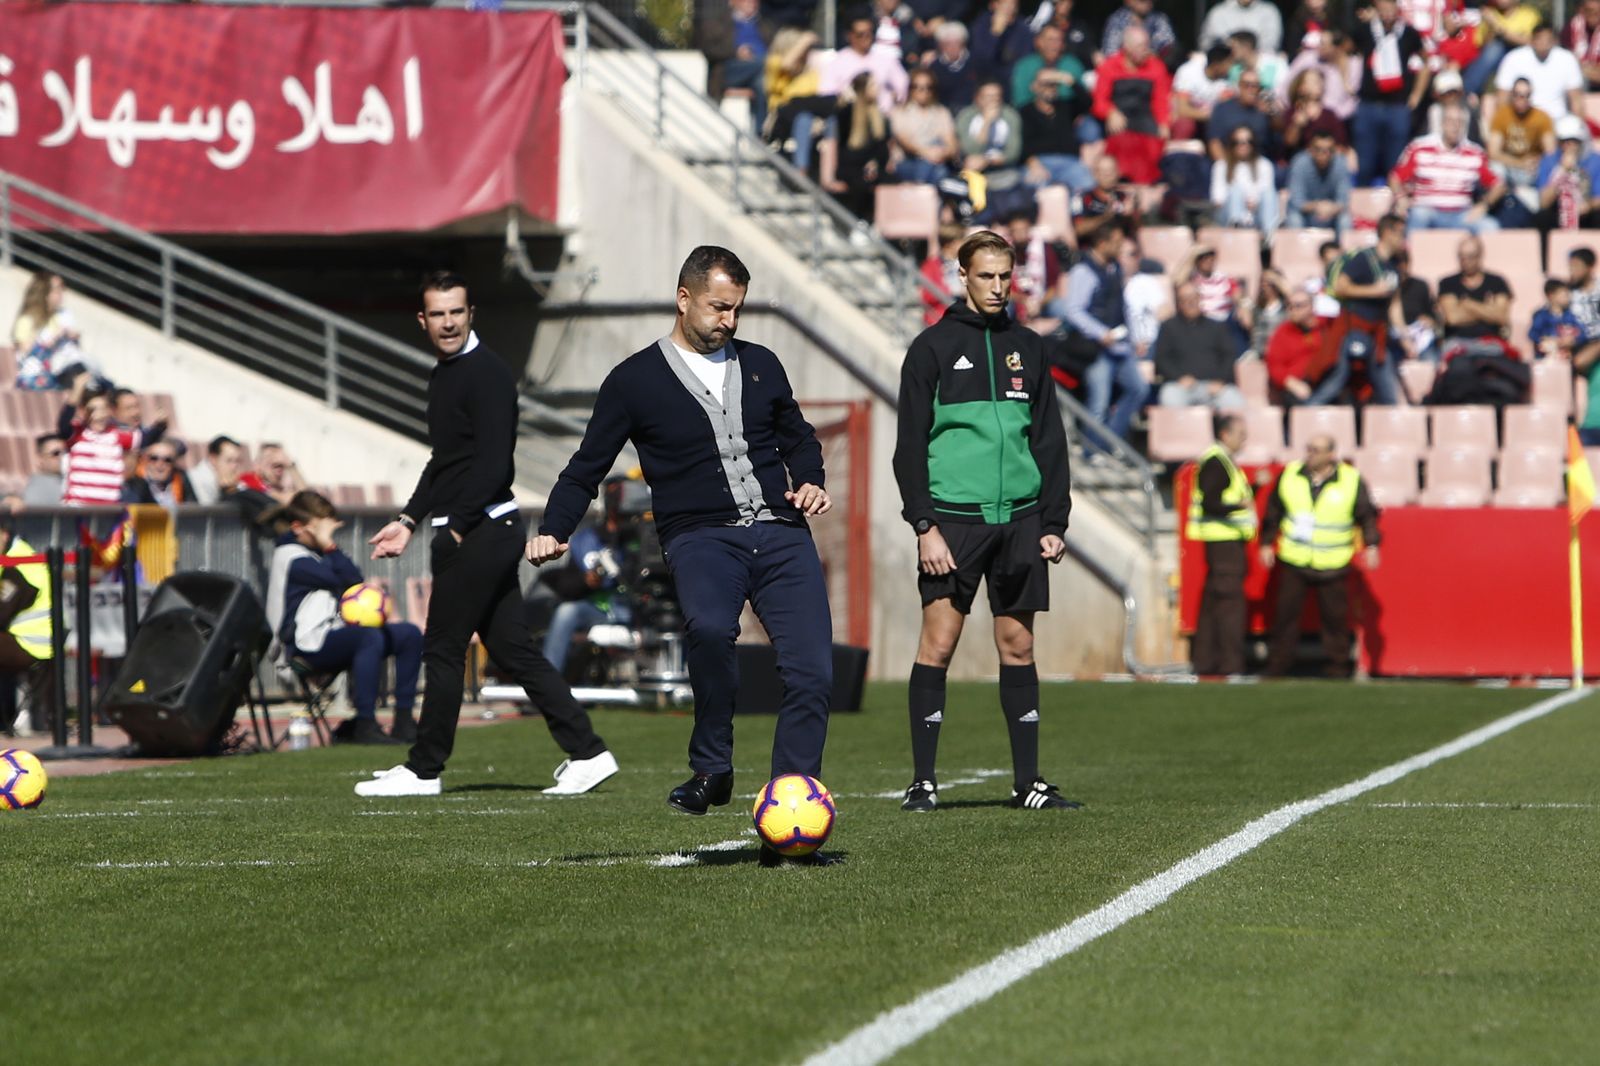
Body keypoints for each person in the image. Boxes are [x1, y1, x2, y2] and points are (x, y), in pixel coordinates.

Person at [528, 248, 836, 865]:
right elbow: (587, 465)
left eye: (739, 309)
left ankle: (790, 809)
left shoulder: (761, 365)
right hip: (701, 536)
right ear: (684, 297)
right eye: (721, 307)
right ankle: (712, 768)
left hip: (780, 531)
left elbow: (798, 437)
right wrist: (553, 528)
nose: (731, 320)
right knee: (710, 629)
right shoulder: (633, 380)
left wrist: (810, 477)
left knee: (812, 674)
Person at [358, 271, 616, 799]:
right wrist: (407, 521)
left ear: (471, 313)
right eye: (438, 313)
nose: (448, 322)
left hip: (479, 531)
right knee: (514, 650)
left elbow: (495, 463)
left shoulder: (488, 375)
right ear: (423, 320)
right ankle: (589, 752)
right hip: (475, 530)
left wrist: (456, 526)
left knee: (444, 649)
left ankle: (424, 769)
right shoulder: (446, 373)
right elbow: (445, 462)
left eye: (457, 311)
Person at [892, 230, 1074, 814]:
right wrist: (925, 525)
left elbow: (1049, 439)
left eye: (1005, 276)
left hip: (1020, 522)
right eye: (986, 276)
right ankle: (923, 782)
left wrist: (1053, 520)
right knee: (938, 644)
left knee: (1018, 646)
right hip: (953, 522)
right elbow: (908, 448)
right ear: (962, 277)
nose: (997, 287)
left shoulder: (1030, 346)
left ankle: (1029, 784)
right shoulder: (931, 349)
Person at [265, 490, 422, 745]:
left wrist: (327, 547)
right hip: (304, 645)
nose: (329, 537)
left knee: (408, 635)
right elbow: (349, 580)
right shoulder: (291, 557)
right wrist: (329, 545)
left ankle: (404, 720)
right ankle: (365, 722)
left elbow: (352, 580)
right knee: (368, 638)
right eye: (321, 529)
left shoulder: (317, 555)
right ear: (299, 527)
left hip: (332, 636)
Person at [1259, 435, 1381, 678]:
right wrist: (1265, 543)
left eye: (1317, 450)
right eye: (1309, 449)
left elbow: (1366, 514)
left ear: (1331, 454)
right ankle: (1277, 668)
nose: (1311, 454)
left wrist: (1372, 545)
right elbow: (1274, 510)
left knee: (1335, 621)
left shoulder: (1351, 479)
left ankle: (1338, 669)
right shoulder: (1291, 473)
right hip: (1295, 558)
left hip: (1333, 562)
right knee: (1284, 618)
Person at [1063, 221, 1147, 452]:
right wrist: (1101, 333)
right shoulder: (1084, 270)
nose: (1120, 248)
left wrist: (1134, 337)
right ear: (1102, 243)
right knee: (1098, 403)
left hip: (1120, 347)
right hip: (1096, 349)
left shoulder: (1114, 268)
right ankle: (1091, 453)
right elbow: (1074, 311)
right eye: (1116, 243)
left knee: (1138, 388)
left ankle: (1109, 443)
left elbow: (1122, 306)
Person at [1188, 414, 1257, 677]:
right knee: (1229, 606)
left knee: (1214, 604)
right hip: (1224, 543)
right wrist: (1239, 506)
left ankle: (1206, 663)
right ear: (1225, 434)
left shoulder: (1218, 460)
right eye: (1241, 434)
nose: (1245, 440)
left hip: (1221, 542)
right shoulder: (1217, 462)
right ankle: (1231, 665)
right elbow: (1211, 502)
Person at [1317, 214, 1408, 405]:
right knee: (1336, 381)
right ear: (1386, 232)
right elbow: (1341, 286)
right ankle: (1305, 413)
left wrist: (1405, 334)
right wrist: (1373, 290)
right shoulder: (1364, 258)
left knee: (1388, 391)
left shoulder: (1394, 266)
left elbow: (1394, 304)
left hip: (1378, 334)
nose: (1403, 237)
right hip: (1354, 329)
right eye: (1400, 233)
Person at [1389, 103, 1505, 233]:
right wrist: (1400, 198)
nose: (1454, 126)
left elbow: (1498, 185)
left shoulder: (1475, 153)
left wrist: (1484, 205)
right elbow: (1395, 177)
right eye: (1450, 121)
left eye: (1459, 122)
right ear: (1442, 123)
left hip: (1461, 213)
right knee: (1419, 216)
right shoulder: (1419, 148)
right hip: (1427, 209)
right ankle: (1412, 252)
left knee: (1490, 226)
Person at [1353, 0, 1432, 187]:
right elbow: (1342, 51)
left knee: (1394, 167)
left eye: (1391, 7)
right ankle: (1363, 212)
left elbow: (1426, 62)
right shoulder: (1365, 31)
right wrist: (1347, 82)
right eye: (1383, 7)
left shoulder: (1409, 33)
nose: (1387, 12)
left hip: (1397, 106)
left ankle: (1392, 211)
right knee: (1365, 165)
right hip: (1368, 104)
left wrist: (1416, 95)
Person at [1092, 27, 1171, 185]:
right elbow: (1099, 101)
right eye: (1141, 47)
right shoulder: (1109, 66)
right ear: (1127, 48)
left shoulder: (1157, 67)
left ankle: (1145, 186)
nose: (1146, 51)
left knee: (1152, 147)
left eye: (1147, 46)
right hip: (1120, 118)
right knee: (1123, 143)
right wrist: (1111, 112)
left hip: (1146, 117)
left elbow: (1161, 99)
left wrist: (1163, 123)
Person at [0, 514, 55, 736]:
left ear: (4, 534)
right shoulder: (15, 556)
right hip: (28, 641)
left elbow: (1, 613)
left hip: (33, 644)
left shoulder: (19, 565)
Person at [1154, 283, 1247, 409]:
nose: (1191, 302)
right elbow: (1162, 359)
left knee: (1235, 402)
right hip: (1181, 386)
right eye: (1185, 299)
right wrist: (1178, 378)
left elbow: (1228, 356)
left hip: (1214, 386)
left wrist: (1220, 381)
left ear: (1200, 299)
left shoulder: (1217, 327)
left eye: (1194, 298)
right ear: (1179, 304)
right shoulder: (1168, 328)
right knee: (1170, 397)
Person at [1487, 76, 1556, 224]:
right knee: (1494, 167)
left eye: (1526, 95)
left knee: (1550, 170)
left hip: (1531, 171)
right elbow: (1493, 152)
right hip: (1509, 166)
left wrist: (1536, 161)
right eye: (1518, 94)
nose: (1522, 99)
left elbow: (1551, 152)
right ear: (1512, 95)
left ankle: (1535, 203)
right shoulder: (1502, 115)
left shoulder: (1541, 117)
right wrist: (1519, 163)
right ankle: (1497, 201)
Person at [827, 72, 892, 221]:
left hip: (872, 166)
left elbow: (882, 148)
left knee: (891, 180)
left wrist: (875, 162)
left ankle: (883, 225)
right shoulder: (847, 113)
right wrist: (846, 100)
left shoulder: (879, 116)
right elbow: (845, 148)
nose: (877, 89)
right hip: (851, 166)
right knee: (861, 182)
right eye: (873, 85)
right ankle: (857, 221)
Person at [62, 391, 142, 507]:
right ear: (84, 412)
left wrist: (159, 427)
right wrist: (77, 389)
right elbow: (63, 426)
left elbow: (144, 438)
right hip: (78, 507)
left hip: (107, 509)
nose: (98, 414)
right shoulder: (77, 433)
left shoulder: (118, 435)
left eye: (103, 409)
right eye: (93, 409)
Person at [1492, 21, 1583, 120]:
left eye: (1548, 39)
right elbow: (1502, 97)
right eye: (1539, 38)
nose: (1543, 43)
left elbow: (1576, 99)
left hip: (1558, 120)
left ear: (1555, 41)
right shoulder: (1514, 58)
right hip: (1524, 121)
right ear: (1532, 39)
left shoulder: (1567, 59)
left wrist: (1578, 124)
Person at [1436, 235, 1512, 352]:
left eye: (1470, 257)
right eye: (1461, 257)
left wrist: (1468, 304)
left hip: (1490, 342)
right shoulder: (1447, 283)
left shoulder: (1497, 282)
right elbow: (1453, 318)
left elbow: (1501, 317)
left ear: (1480, 256)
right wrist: (1488, 310)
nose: (1465, 261)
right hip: (1458, 342)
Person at [11, 272, 85, 391]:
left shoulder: (62, 316)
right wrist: (54, 338)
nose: (61, 293)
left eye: (62, 288)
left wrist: (73, 336)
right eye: (56, 289)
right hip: (36, 376)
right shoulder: (27, 320)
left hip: (61, 369)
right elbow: (25, 352)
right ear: (43, 293)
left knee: (88, 378)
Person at [1019, 68, 1090, 193]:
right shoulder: (1024, 112)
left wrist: (1066, 79)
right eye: (1045, 84)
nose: (1050, 88)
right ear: (1034, 87)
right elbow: (1023, 143)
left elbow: (1087, 101)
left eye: (1053, 84)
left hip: (1069, 162)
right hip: (1039, 161)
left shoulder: (1066, 107)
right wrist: (1032, 163)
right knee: (1036, 188)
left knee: (1088, 185)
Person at [890, 72, 959, 186]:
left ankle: (920, 185)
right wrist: (927, 153)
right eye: (917, 87)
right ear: (910, 89)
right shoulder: (900, 112)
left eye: (928, 87)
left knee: (939, 170)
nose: (923, 91)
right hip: (908, 161)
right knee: (939, 171)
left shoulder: (941, 112)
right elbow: (904, 141)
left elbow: (951, 145)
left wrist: (940, 153)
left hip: (937, 160)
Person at [954, 80, 1024, 190]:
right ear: (977, 98)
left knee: (1015, 178)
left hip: (1002, 170)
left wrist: (987, 161)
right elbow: (969, 150)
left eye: (997, 96)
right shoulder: (966, 116)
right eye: (989, 96)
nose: (994, 100)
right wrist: (986, 122)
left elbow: (1013, 153)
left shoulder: (1010, 116)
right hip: (972, 169)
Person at [1211, 126, 1278, 237]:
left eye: (1248, 142)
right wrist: (1240, 200)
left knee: (1269, 193)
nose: (1243, 146)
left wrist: (1253, 202)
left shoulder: (1265, 165)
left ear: (1253, 144)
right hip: (1228, 215)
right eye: (1237, 142)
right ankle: (1237, 233)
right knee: (1235, 190)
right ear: (1231, 145)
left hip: (1256, 214)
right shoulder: (1221, 165)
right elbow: (1217, 199)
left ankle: (1269, 238)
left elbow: (1266, 194)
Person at [1536, 115, 1600, 229]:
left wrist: (1588, 205)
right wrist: (1562, 170)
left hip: (1585, 212)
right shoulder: (1549, 161)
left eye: (1573, 141)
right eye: (1564, 141)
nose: (1568, 145)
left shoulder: (1594, 161)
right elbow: (1544, 202)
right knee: (1542, 217)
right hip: (1559, 211)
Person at [1265, 286, 1325, 405]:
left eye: (1298, 306)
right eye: (1289, 306)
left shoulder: (1325, 327)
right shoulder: (1282, 332)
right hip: (1295, 385)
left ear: (1311, 306)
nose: (1293, 310)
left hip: (1323, 381)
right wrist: (1291, 383)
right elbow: (1274, 366)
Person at [1286, 129, 1354, 233]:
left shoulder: (1341, 164)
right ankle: (1298, 249)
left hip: (1332, 214)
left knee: (1345, 220)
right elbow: (1297, 201)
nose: (1324, 154)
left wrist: (1330, 209)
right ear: (1310, 149)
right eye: (1318, 149)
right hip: (1306, 214)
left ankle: (1343, 249)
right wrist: (1317, 206)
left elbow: (1343, 200)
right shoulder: (1299, 163)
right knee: (1294, 218)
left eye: (1329, 150)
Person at [1009, 23, 1086, 112]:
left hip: (1068, 116)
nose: (1054, 45)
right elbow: (1020, 100)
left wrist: (1066, 79)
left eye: (1058, 40)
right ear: (1038, 42)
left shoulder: (1073, 64)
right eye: (1050, 40)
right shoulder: (1024, 66)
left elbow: (1083, 99)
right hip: (1032, 117)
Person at [1174, 44, 1238, 142]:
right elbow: (1182, 109)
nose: (1231, 67)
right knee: (1185, 124)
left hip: (1210, 120)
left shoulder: (1228, 80)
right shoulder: (1188, 71)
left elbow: (1226, 108)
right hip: (1187, 117)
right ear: (1216, 66)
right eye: (1229, 63)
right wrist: (1211, 116)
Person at [1100, 0, 1178, 67]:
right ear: (1128, 1)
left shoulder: (1160, 19)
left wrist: (1144, 55)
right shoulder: (1116, 21)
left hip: (1153, 71)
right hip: (1123, 73)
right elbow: (1110, 53)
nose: (1147, 2)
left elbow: (1168, 49)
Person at [121, 442, 194, 509]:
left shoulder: (181, 480)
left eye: (167, 460)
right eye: (154, 458)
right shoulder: (137, 485)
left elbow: (193, 508)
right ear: (144, 460)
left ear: (174, 464)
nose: (160, 464)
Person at [1529, 278, 1587, 360]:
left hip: (1566, 359)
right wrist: (1547, 340)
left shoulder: (1570, 316)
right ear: (1551, 296)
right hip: (1546, 360)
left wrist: (1573, 340)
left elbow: (1582, 333)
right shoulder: (1541, 316)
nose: (1568, 298)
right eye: (1564, 295)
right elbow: (1533, 334)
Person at [928, 21, 978, 113]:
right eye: (947, 43)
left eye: (956, 42)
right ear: (941, 45)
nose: (952, 47)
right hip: (944, 111)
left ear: (963, 43)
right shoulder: (935, 67)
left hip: (972, 110)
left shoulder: (976, 61)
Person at [1202, 0, 1283, 55]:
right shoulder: (1218, 12)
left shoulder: (1269, 11)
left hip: (1257, 67)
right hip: (1225, 67)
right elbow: (1207, 44)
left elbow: (1270, 44)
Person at [187, 434, 245, 506]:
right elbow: (210, 512)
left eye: (237, 461)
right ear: (213, 459)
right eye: (229, 460)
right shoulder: (202, 479)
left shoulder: (232, 481)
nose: (234, 466)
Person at [239, 443, 306, 505]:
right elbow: (288, 500)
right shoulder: (248, 480)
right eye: (270, 456)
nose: (276, 460)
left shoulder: (277, 485)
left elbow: (308, 497)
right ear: (257, 465)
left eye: (281, 456)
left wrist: (291, 466)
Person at [1563, 0, 1600, 90]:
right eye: (1589, 11)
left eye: (1598, 12)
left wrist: (1582, 69)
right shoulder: (1571, 29)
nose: (1594, 15)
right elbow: (1566, 66)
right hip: (1577, 87)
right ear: (1582, 10)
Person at [22, 434, 65, 507]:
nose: (62, 457)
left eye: (65, 452)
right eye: (56, 453)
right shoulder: (37, 489)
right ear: (40, 459)